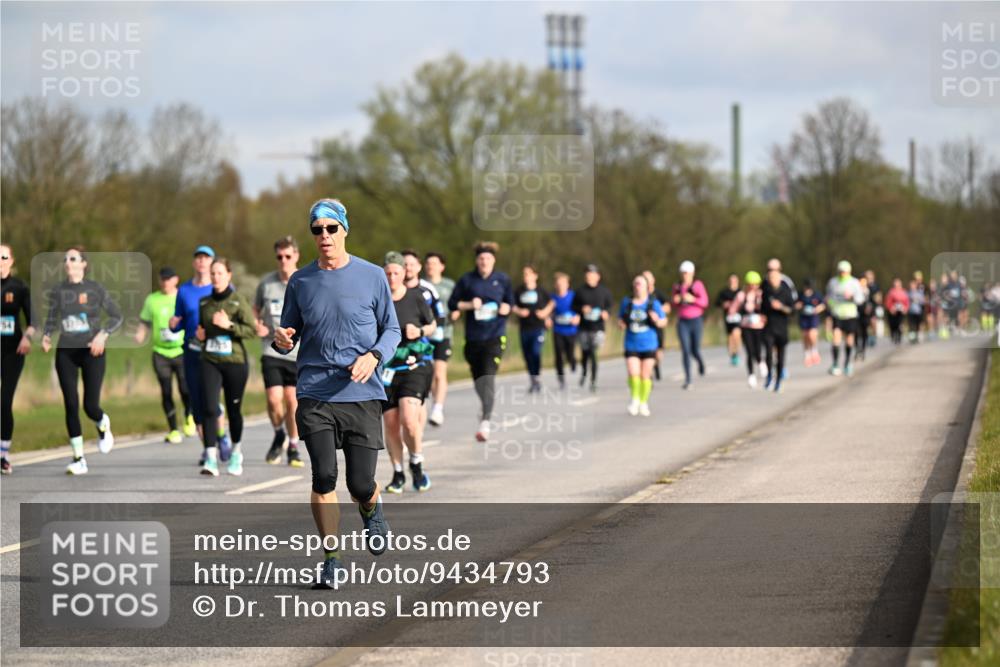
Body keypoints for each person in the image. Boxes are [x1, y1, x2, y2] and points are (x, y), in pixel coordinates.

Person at [273, 198, 400, 587]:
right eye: (317, 229)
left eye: (331, 228)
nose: (324, 235)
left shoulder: (372, 276)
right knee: (324, 476)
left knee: (359, 483)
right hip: (315, 392)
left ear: (344, 229)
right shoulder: (301, 281)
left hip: (361, 392)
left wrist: (374, 356)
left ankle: (371, 507)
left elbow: (392, 329)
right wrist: (281, 341)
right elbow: (289, 334)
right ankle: (332, 559)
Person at [41, 246, 122, 475]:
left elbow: (117, 316)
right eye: (65, 259)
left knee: (90, 406)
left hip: (92, 352)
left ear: (84, 263)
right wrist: (47, 335)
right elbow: (52, 317)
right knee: (70, 404)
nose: (68, 262)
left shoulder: (95, 289)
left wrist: (102, 335)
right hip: (66, 352)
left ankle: (102, 423)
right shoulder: (58, 290)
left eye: (73, 258)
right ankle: (78, 458)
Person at [447, 241, 514, 442]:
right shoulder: (467, 280)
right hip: (473, 339)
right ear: (477, 261)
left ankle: (485, 422)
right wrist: (468, 304)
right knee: (478, 381)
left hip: (495, 337)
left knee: (488, 376)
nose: (484, 262)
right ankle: (485, 405)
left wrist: (507, 308)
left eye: (488, 258)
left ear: (493, 260)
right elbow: (452, 303)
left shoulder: (502, 280)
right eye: (481, 258)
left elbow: (511, 302)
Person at [381, 252, 436, 493]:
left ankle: (416, 462)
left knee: (409, 421)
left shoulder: (416, 297)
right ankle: (398, 473)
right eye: (388, 273)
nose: (392, 277)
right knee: (391, 423)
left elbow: (433, 325)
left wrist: (420, 331)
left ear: (404, 273)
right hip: (388, 370)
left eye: (396, 273)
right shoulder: (379, 300)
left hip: (414, 367)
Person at [170, 245, 230, 462]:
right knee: (196, 402)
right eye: (198, 258)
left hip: (215, 351)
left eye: (206, 258)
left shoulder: (221, 286)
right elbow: (179, 320)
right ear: (194, 262)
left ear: (212, 262)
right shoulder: (184, 290)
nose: (202, 261)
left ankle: (219, 437)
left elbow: (232, 316)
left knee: (211, 401)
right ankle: (209, 446)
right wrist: (174, 325)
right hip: (192, 351)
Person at [196, 257, 256, 477]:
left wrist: (228, 325)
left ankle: (236, 453)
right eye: (213, 273)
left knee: (233, 409)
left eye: (220, 273)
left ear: (229, 275)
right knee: (210, 408)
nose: (216, 277)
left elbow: (252, 330)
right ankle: (210, 458)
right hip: (210, 360)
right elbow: (201, 330)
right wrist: (200, 335)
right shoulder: (204, 302)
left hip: (235, 363)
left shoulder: (238, 300)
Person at [255, 236, 304, 468]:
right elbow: (255, 309)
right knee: (274, 400)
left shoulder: (305, 281)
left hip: (297, 352)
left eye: (288, 256)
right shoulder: (267, 283)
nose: (283, 260)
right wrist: (258, 324)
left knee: (292, 402)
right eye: (279, 257)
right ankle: (278, 434)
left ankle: (293, 445)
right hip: (271, 350)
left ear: (296, 256)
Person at [135, 267, 190, 444]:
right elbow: (145, 321)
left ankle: (189, 415)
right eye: (162, 279)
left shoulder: (182, 296)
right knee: (166, 391)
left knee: (185, 388)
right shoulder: (152, 300)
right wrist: (140, 333)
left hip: (181, 350)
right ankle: (173, 429)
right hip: (160, 353)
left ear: (176, 280)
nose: (165, 282)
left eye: (168, 279)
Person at [1, 244, 34, 474]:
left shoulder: (19, 287)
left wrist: (27, 338)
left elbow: (33, 321)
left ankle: (3, 455)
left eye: (4, 257)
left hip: (13, 351)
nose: (0, 261)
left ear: (11, 260)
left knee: (4, 402)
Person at [618, 274, 666, 416]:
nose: (637, 287)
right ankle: (635, 399)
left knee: (645, 375)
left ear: (646, 287)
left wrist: (657, 320)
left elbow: (663, 321)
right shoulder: (627, 303)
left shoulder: (653, 303)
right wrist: (621, 324)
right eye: (636, 284)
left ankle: (644, 402)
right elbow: (620, 320)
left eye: (640, 284)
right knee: (633, 373)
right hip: (631, 343)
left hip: (649, 344)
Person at [423, 251, 454, 427]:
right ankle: (431, 400)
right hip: (425, 333)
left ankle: (438, 408)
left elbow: (456, 303)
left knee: (439, 372)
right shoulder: (421, 284)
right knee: (428, 371)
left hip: (444, 333)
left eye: (434, 263)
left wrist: (456, 311)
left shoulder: (449, 285)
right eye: (428, 263)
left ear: (442, 266)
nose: (431, 266)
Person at [572, 264, 614, 392]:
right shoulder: (580, 291)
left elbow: (610, 306)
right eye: (587, 275)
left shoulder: (604, 291)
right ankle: (584, 371)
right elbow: (574, 307)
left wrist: (606, 313)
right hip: (584, 328)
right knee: (585, 353)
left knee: (593, 352)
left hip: (598, 328)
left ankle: (593, 380)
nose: (589, 277)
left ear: (598, 276)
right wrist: (581, 309)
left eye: (592, 274)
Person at [514, 265, 553, 393]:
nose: (526, 276)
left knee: (535, 352)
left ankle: (537, 377)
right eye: (524, 274)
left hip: (538, 327)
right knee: (527, 355)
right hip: (524, 328)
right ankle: (533, 380)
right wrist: (519, 311)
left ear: (535, 276)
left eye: (528, 274)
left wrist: (545, 314)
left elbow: (552, 303)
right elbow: (511, 305)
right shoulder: (519, 291)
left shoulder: (541, 291)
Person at [825, 260, 866, 377]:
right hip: (837, 314)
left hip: (850, 315)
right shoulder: (833, 282)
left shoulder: (854, 283)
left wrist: (852, 297)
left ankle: (847, 363)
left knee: (849, 339)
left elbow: (860, 299)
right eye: (841, 272)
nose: (843, 274)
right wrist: (830, 304)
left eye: (845, 272)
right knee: (836, 338)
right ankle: (835, 364)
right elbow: (828, 297)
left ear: (849, 272)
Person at [671, 261, 708, 390]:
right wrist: (675, 301)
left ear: (692, 273)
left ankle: (700, 361)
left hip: (696, 320)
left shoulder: (697, 285)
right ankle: (688, 379)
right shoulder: (677, 286)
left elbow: (705, 302)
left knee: (695, 349)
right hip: (683, 322)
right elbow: (673, 304)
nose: (684, 275)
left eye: (686, 273)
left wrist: (693, 299)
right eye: (683, 273)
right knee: (685, 350)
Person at [762, 264, 796, 392]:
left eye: (774, 278)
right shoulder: (765, 291)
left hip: (782, 327)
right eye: (770, 278)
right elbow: (761, 308)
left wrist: (781, 307)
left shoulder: (786, 291)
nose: (772, 280)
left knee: (781, 355)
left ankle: (778, 381)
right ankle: (769, 375)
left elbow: (792, 310)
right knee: (768, 352)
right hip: (769, 327)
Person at [731, 271, 767, 389]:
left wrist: (763, 316)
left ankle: (761, 362)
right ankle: (751, 375)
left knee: (758, 350)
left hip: (759, 327)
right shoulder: (741, 295)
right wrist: (736, 315)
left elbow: (766, 309)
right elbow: (732, 310)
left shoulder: (761, 295)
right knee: (749, 352)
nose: (753, 286)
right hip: (746, 327)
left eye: (755, 284)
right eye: (751, 284)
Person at [549, 272, 579, 390]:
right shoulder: (552, 298)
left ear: (567, 284)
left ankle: (573, 361)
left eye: (562, 283)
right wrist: (548, 319)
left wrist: (577, 317)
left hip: (571, 330)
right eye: (558, 283)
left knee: (569, 353)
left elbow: (579, 310)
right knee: (558, 355)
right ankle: (561, 378)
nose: (560, 285)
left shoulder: (573, 296)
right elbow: (549, 312)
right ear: (555, 285)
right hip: (558, 330)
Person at [643, 270, 670, 380]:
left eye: (649, 279)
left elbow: (668, 307)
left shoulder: (658, 294)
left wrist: (658, 311)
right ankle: (649, 373)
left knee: (658, 353)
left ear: (653, 280)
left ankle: (656, 365)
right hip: (646, 328)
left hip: (657, 327)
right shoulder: (640, 294)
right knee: (648, 352)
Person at [796, 279, 825, 366]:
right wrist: (798, 306)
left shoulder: (816, 295)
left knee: (812, 335)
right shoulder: (800, 295)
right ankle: (807, 355)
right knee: (805, 335)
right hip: (803, 317)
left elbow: (823, 305)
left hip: (813, 317)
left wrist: (817, 309)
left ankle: (814, 351)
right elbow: (795, 305)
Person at [715, 273, 742, 367]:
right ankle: (732, 355)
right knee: (730, 337)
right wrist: (724, 304)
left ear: (737, 282)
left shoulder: (740, 292)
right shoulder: (724, 292)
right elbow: (717, 303)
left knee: (736, 334)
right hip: (728, 318)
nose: (732, 283)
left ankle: (737, 353)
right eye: (731, 281)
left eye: (734, 281)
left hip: (738, 317)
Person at [884, 278, 910, 345]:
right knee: (893, 325)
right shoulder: (891, 292)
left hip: (900, 312)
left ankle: (899, 337)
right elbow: (888, 302)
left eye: (898, 284)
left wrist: (906, 309)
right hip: (893, 312)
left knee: (900, 325)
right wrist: (891, 308)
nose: (897, 286)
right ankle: (893, 335)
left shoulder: (904, 292)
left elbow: (907, 302)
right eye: (896, 285)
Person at [855, 276, 873, 361]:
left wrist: (870, 310)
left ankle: (863, 350)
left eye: (864, 282)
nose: (862, 283)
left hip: (865, 315)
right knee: (856, 332)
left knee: (864, 332)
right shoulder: (855, 291)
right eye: (861, 282)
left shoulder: (869, 291)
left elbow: (873, 303)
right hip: (856, 314)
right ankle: (857, 348)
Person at [907, 278, 926, 344]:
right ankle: (912, 338)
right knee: (912, 325)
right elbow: (905, 301)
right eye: (911, 285)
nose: (912, 286)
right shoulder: (908, 293)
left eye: (914, 284)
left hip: (918, 312)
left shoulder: (919, 293)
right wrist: (911, 300)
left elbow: (923, 301)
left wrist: (919, 300)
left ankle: (918, 337)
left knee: (918, 325)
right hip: (911, 312)